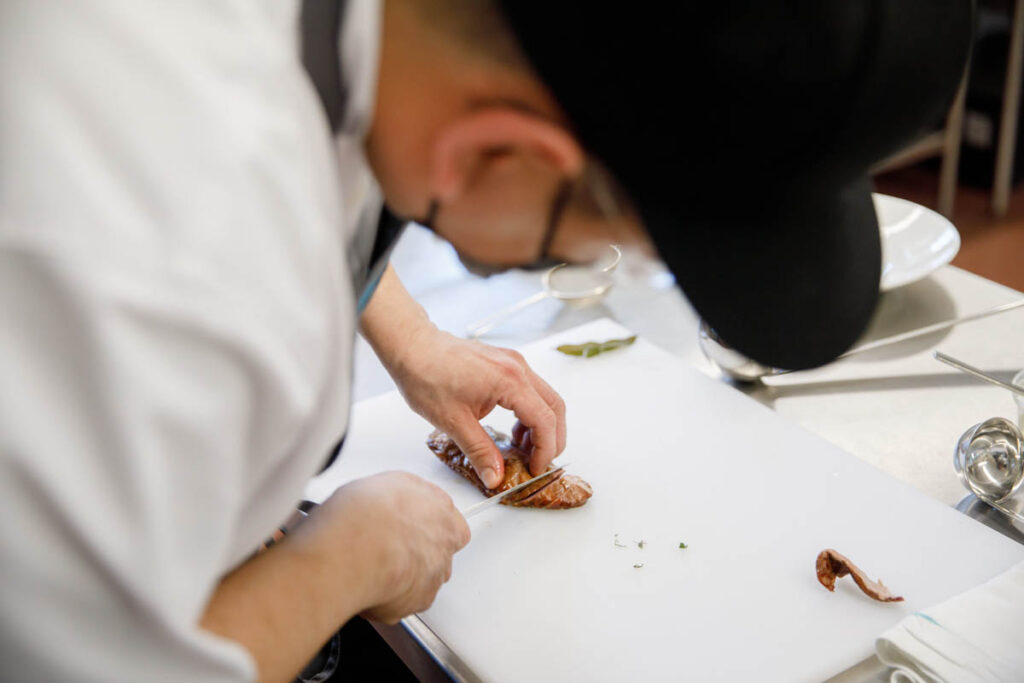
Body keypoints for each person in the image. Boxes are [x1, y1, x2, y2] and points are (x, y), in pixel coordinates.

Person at [0, 0, 970, 681]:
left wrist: (404, 331)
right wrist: (339, 560)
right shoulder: (166, 248)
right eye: (593, 243)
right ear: (497, 153)